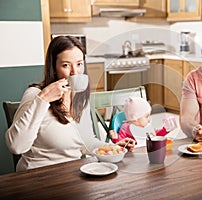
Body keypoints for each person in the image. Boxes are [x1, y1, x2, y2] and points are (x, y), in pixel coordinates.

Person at [5, 36, 135, 171]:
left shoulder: (80, 96)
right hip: (38, 177)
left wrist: (112, 148)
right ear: (53, 68)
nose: (75, 72)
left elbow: (87, 141)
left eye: (79, 64)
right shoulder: (35, 95)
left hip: (73, 175)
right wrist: (43, 100)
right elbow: (16, 147)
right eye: (66, 65)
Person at [109, 97, 176, 146]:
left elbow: (156, 136)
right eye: (146, 116)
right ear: (135, 118)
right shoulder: (125, 129)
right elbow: (121, 143)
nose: (149, 119)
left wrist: (166, 129)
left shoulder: (147, 126)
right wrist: (116, 138)